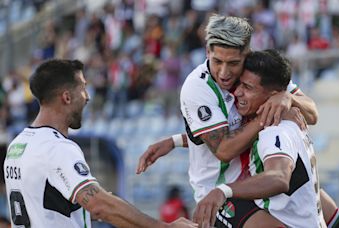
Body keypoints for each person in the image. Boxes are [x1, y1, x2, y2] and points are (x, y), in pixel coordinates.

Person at [137, 14, 320, 227]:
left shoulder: (255, 73)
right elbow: (223, 149)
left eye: (233, 63)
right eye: (217, 61)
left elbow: (312, 113)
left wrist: (288, 98)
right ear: (208, 52)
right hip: (220, 193)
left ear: (247, 54)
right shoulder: (198, 88)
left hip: (255, 181)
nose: (224, 73)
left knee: (321, 205)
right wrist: (267, 113)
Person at [3, 59, 197, 228]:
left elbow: (48, 207)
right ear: (67, 97)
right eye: (83, 87)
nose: (87, 96)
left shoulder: (18, 145)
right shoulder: (57, 148)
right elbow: (99, 205)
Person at [194, 50, 339, 228]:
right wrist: (175, 141)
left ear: (274, 95)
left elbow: (278, 177)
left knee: (227, 208)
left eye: (248, 88)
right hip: (305, 215)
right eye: (239, 85)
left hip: (295, 221)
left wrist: (223, 191)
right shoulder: (280, 119)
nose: (237, 93)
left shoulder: (274, 131)